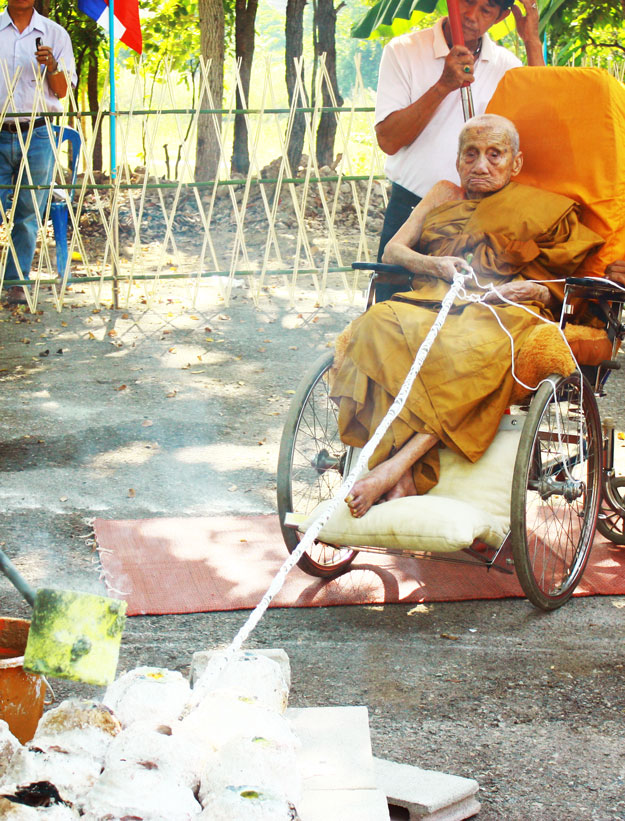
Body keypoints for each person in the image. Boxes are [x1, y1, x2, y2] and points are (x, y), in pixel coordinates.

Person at [330, 114, 605, 519]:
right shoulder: (443, 195)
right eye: (471, 154)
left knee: (467, 348)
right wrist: (435, 265)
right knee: (375, 324)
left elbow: (567, 281)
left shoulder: (545, 210)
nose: (481, 165)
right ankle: (402, 474)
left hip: (504, 309)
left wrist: (541, 290)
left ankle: (394, 468)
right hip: (433, 297)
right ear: (458, 160)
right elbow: (393, 252)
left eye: (495, 155)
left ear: (516, 163)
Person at [374, 0, 544, 299]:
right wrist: (444, 84)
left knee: (465, 323)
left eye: (486, 9)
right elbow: (388, 140)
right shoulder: (404, 51)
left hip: (480, 218)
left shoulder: (507, 66)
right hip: (411, 208)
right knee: (392, 315)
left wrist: (531, 40)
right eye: (467, 1)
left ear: (501, 16)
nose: (471, 16)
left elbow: (543, 113)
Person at [0, 0, 76, 304]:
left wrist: (52, 67)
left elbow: (61, 90)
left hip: (38, 132)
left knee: (29, 210)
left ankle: (16, 281)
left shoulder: (54, 34)